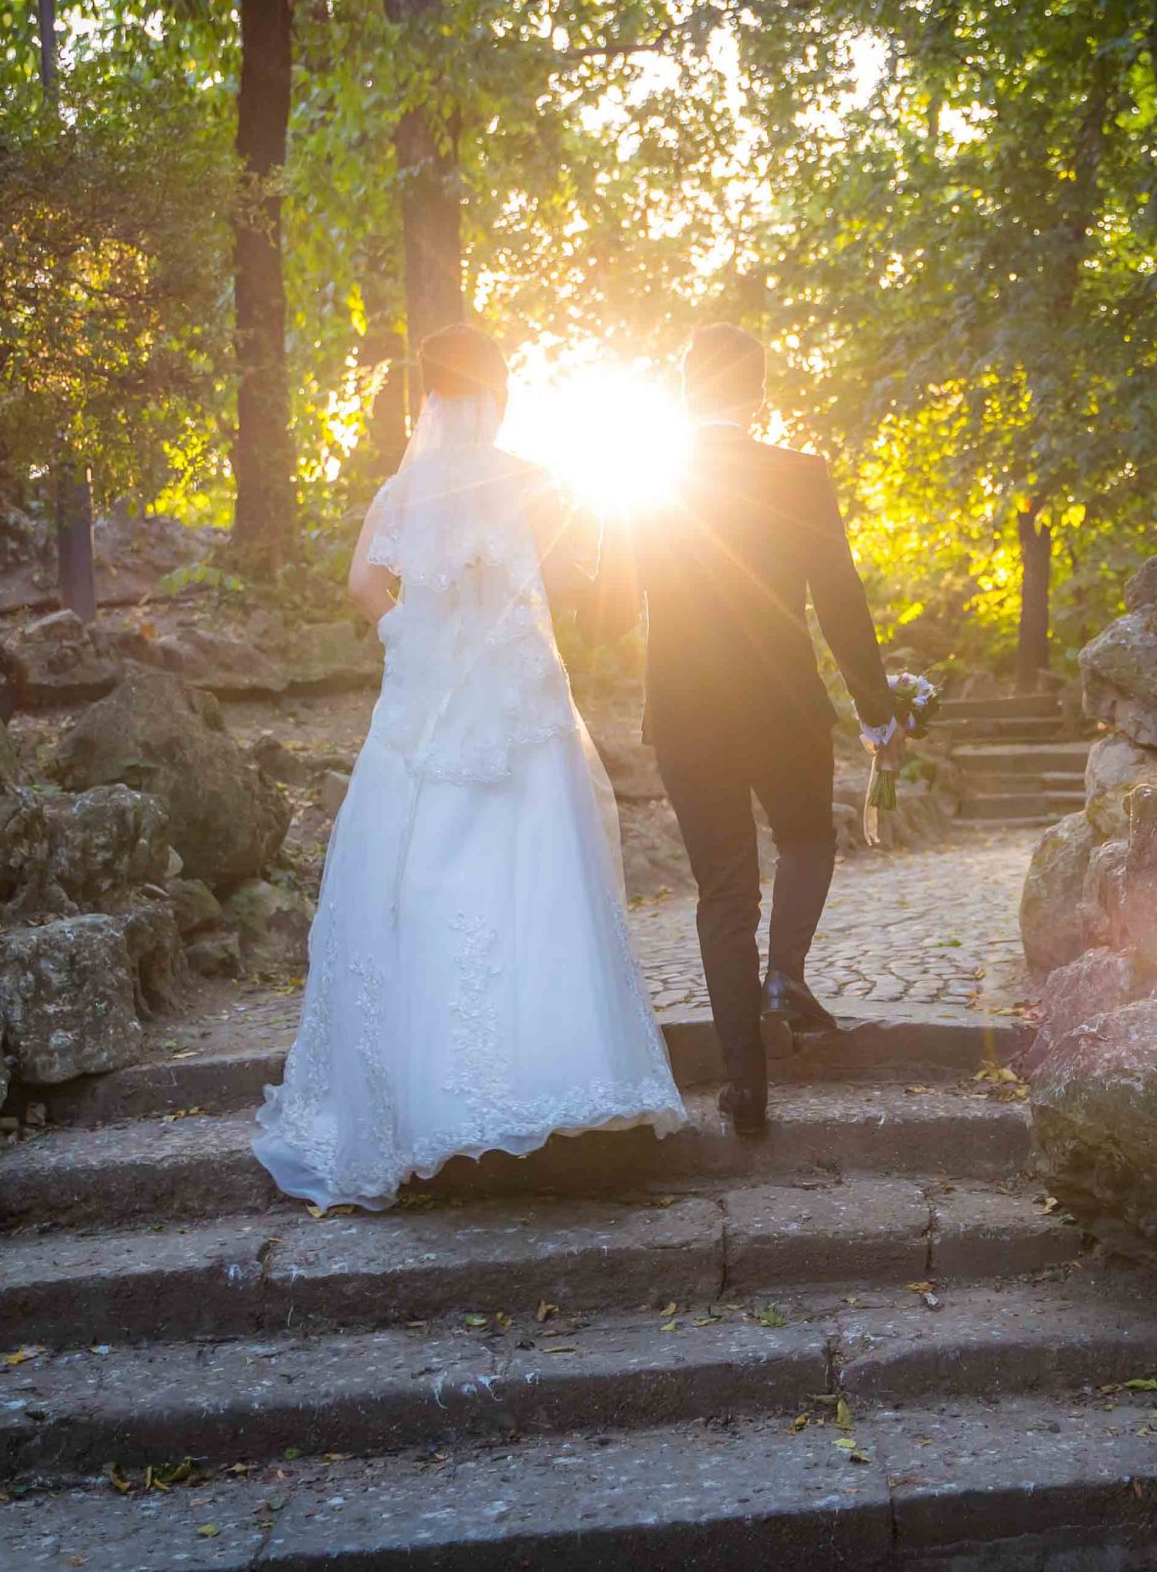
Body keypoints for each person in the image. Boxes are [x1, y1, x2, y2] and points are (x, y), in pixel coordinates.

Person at [252, 323, 686, 1209]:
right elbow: (566, 580)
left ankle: (429, 1101)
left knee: (419, 887)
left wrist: (411, 636)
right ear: (497, 390)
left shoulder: (400, 491)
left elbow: (361, 584)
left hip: (427, 711)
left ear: (427, 392)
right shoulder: (525, 479)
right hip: (520, 712)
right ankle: (557, 1084)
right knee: (540, 879)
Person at [595, 324, 898, 1139]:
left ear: (688, 392)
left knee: (724, 894)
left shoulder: (646, 485)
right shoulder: (800, 475)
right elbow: (841, 598)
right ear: (759, 395)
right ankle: (784, 978)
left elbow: (611, 612)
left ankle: (746, 1088)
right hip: (786, 707)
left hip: (688, 719)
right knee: (806, 839)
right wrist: (875, 705)